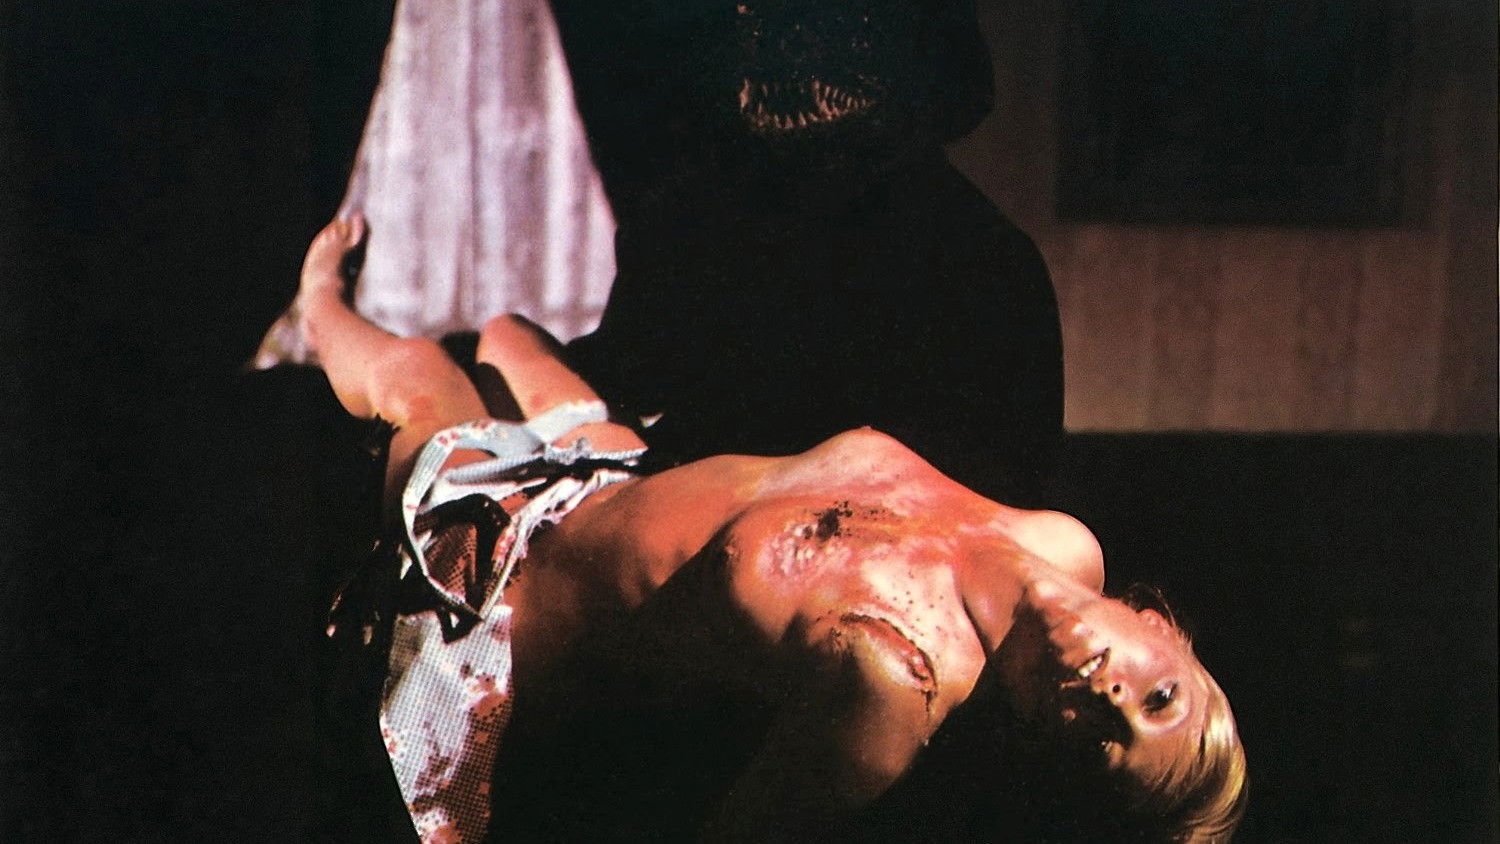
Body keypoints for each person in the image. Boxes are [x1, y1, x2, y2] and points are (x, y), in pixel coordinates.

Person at [297, 217, 1246, 842]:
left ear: (1043, 743)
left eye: (1102, 742)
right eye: (1157, 697)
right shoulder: (1065, 541)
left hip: (494, 589)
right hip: (608, 476)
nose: (1109, 697)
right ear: (1163, 628)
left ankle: (316, 301)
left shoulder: (891, 683)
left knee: (422, 380)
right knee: (509, 335)